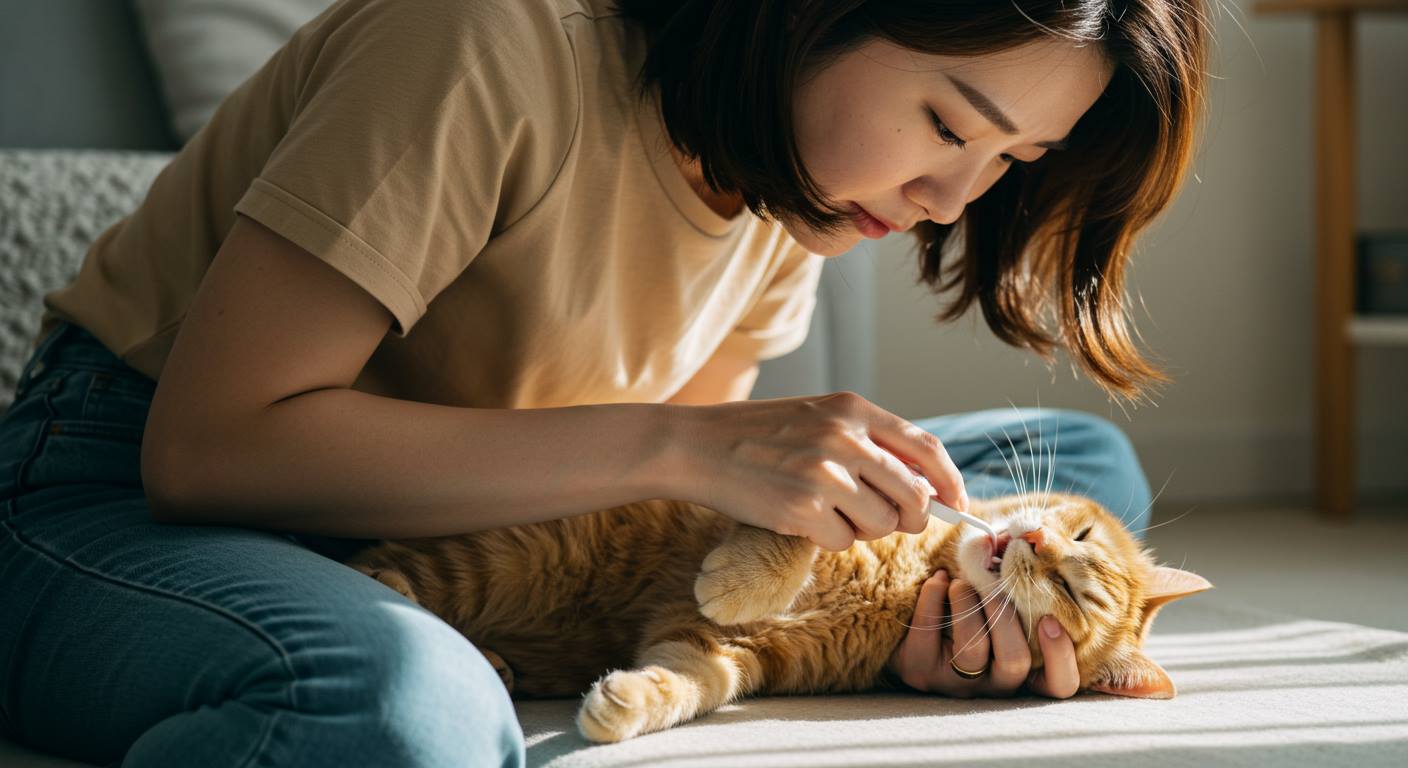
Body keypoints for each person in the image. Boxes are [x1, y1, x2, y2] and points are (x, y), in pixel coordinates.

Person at [0, 0, 1208, 765]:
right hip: (127, 491)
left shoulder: (793, 185)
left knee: (1078, 467)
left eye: (1011, 162)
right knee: (400, 714)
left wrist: (899, 620)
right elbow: (207, 451)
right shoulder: (486, 40)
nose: (953, 199)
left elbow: (678, 536)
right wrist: (687, 441)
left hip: (491, 516)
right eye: (949, 123)